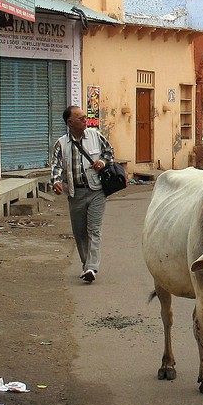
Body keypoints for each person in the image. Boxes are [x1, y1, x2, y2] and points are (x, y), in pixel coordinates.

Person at [50, 105, 115, 283]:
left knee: (94, 229)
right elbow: (56, 165)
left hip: (96, 191)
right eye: (81, 119)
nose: (85, 121)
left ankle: (92, 268)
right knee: (80, 233)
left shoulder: (95, 136)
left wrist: (102, 161)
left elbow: (110, 152)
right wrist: (55, 181)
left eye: (85, 117)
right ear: (70, 123)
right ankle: (87, 264)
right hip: (75, 193)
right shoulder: (61, 143)